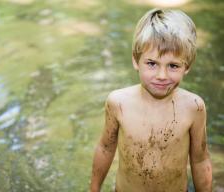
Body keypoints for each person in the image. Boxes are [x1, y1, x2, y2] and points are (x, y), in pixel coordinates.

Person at [90, 8, 212, 192]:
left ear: (187, 66)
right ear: (135, 60)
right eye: (152, 63)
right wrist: (94, 189)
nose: (162, 76)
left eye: (173, 66)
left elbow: (200, 159)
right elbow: (105, 148)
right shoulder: (118, 103)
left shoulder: (193, 107)